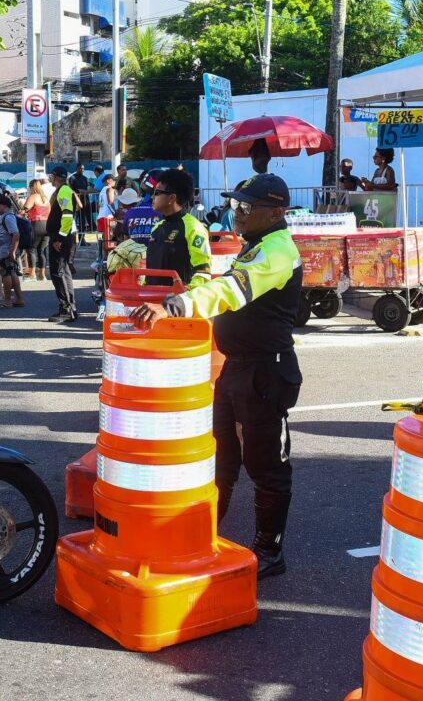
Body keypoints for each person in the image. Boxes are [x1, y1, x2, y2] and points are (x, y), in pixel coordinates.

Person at [130, 174, 303, 580]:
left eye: (247, 207)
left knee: (266, 465)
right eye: (236, 205)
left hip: (266, 372)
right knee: (220, 459)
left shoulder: (278, 251)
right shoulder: (256, 245)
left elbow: (232, 290)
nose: (237, 213)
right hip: (237, 367)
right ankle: (201, 536)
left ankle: (268, 549)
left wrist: (177, 306)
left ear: (276, 212)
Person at [145, 169, 212, 288]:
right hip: (151, 301)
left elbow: (203, 273)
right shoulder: (157, 227)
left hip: (176, 303)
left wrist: (183, 296)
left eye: (157, 192)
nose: (152, 197)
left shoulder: (194, 228)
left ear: (171, 198)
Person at [47, 166, 79, 323]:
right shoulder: (64, 191)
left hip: (60, 237)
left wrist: (59, 237)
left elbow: (67, 215)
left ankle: (66, 309)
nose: (50, 179)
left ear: (55, 177)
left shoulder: (64, 191)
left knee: (58, 272)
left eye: (51, 176)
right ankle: (70, 308)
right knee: (64, 272)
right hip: (63, 235)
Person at [0, 194, 25, 308]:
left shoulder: (8, 217)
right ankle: (19, 299)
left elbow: (16, 234)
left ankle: (8, 300)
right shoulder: (6, 216)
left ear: (4, 206)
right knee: (11, 272)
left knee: (6, 274)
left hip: (6, 250)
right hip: (5, 249)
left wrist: (13, 251)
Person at [122, 169, 163, 245]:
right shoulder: (164, 214)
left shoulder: (129, 213)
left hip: (134, 255)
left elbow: (126, 243)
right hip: (155, 255)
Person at [22, 178, 51, 280]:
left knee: (31, 249)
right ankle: (42, 274)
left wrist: (22, 208)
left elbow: (25, 209)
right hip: (47, 225)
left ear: (32, 187)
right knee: (42, 251)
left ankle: (32, 273)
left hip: (36, 224)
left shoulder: (33, 196)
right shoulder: (45, 198)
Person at [68, 164, 92, 243]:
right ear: (77, 168)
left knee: (82, 221)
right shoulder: (72, 178)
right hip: (75, 203)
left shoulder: (85, 178)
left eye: (83, 168)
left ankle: (82, 239)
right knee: (73, 220)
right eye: (80, 168)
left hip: (84, 202)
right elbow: (71, 190)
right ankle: (72, 239)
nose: (82, 170)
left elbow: (87, 188)